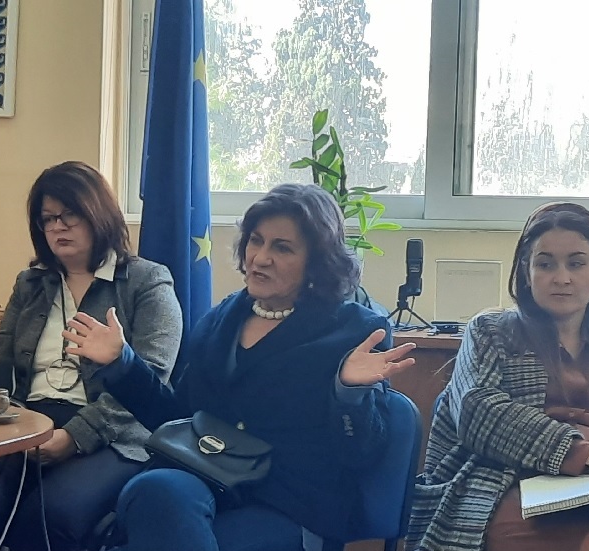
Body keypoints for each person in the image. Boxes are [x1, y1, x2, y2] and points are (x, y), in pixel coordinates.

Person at [63, 183, 417, 551]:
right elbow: (178, 419)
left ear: (317, 260)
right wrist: (123, 364)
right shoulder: (220, 319)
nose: (260, 258)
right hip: (207, 479)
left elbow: (362, 453)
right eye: (256, 241)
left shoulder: (356, 331)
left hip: (288, 503)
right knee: (154, 488)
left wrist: (348, 394)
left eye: (282, 248)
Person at [0, 161, 183, 551]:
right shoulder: (30, 283)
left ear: (98, 213)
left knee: (52, 514)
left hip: (114, 434)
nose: (58, 227)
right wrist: (2, 426)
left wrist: (75, 437)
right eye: (48, 219)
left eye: (69, 214)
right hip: (27, 422)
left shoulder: (147, 281)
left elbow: (151, 379)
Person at [408, 202, 589, 551]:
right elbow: (477, 410)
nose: (561, 278)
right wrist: (584, 453)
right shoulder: (490, 331)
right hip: (509, 487)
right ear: (526, 270)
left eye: (576, 263)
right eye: (545, 264)